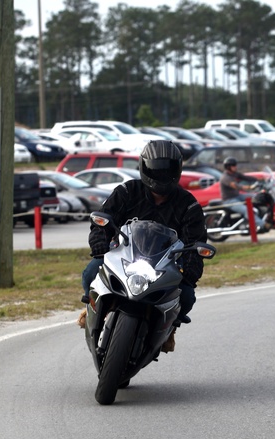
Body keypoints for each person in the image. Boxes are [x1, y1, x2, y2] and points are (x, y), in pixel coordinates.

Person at [79, 140, 207, 353]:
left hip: (164, 265)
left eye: (167, 170)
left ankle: (169, 329)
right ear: (144, 167)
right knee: (91, 271)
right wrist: (101, 247)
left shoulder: (188, 204)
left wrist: (189, 273)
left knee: (186, 295)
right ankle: (91, 307)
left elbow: (196, 243)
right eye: (156, 170)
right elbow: (102, 220)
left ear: (177, 170)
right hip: (123, 256)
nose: (162, 176)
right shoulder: (127, 192)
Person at [220, 156, 271, 231]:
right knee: (247, 210)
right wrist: (250, 187)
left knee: (257, 197)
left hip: (237, 196)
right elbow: (236, 186)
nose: (235, 167)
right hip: (229, 200)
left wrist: (260, 179)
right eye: (234, 165)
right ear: (228, 167)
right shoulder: (225, 177)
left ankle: (265, 216)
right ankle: (263, 225)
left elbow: (246, 177)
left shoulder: (234, 174)